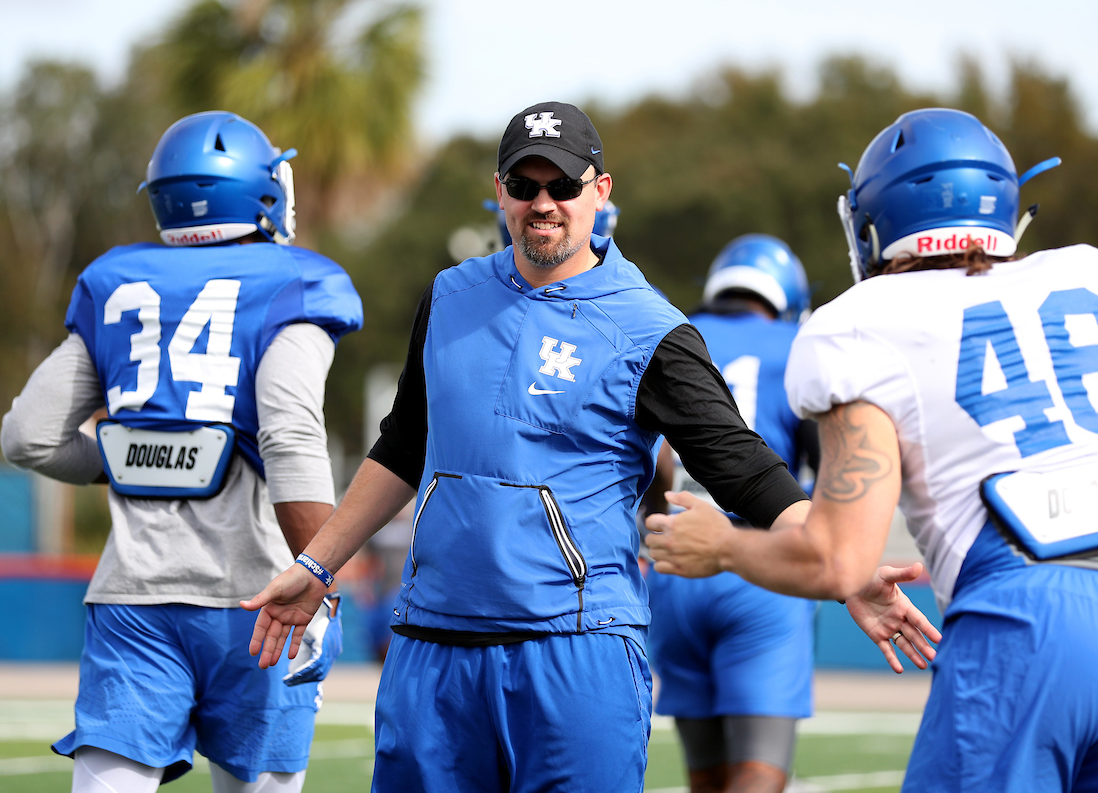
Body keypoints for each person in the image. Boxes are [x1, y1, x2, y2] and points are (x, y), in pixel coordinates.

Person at [240, 101, 934, 792]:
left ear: (600, 191)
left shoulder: (649, 327)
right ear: (500, 190)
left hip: (577, 655)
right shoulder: (449, 295)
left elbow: (746, 470)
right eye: (525, 185)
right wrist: (318, 564)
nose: (543, 203)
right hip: (433, 649)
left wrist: (848, 569)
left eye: (563, 186)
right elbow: (402, 446)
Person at [646, 107, 1098, 792]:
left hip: (1023, 625)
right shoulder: (1096, 280)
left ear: (874, 222)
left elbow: (836, 559)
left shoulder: (863, 324)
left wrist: (722, 548)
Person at [0, 111, 363, 793]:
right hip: (260, 597)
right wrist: (321, 577)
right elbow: (289, 435)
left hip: (133, 597)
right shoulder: (294, 281)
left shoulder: (118, 283)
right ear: (262, 190)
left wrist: (125, 458)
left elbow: (27, 435)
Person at [648, 234, 824, 793]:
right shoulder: (798, 344)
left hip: (674, 564)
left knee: (707, 777)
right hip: (760, 567)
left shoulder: (665, 329)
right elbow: (826, 472)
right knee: (757, 773)